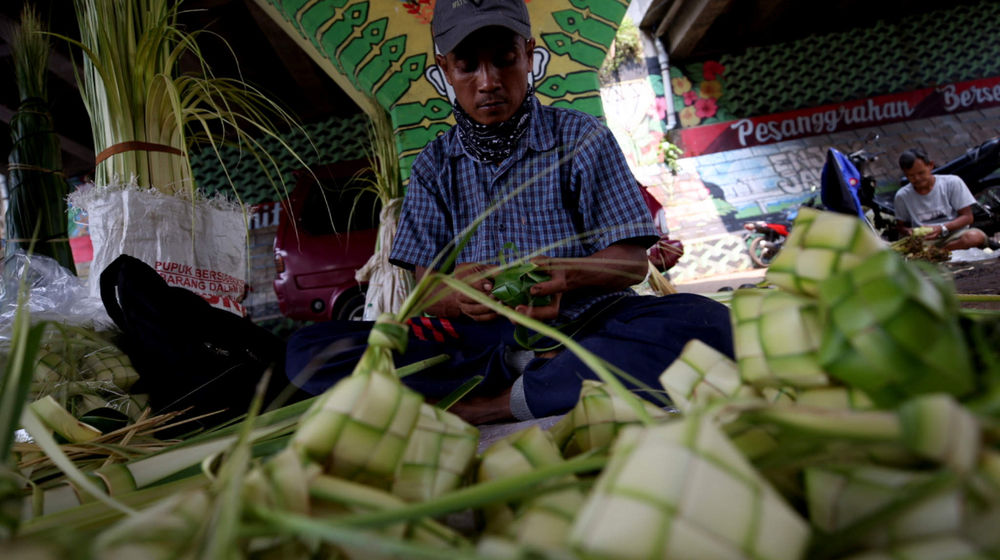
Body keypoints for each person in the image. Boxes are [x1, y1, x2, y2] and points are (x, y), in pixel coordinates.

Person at [285, 0, 733, 425]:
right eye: (467, 66)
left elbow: (632, 264)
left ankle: (498, 402)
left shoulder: (581, 138)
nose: (488, 81)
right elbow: (426, 294)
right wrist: (458, 295)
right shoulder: (433, 166)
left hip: (586, 325)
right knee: (308, 352)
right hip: (478, 344)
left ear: (528, 55)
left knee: (710, 325)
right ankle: (539, 372)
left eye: (504, 59)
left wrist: (567, 274)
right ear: (445, 70)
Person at [894, 147, 989, 251]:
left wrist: (942, 228)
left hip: (953, 234)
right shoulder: (902, 196)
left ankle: (940, 252)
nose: (917, 179)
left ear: (930, 165)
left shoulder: (952, 183)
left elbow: (967, 217)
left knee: (974, 237)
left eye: (921, 173)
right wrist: (908, 231)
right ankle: (934, 253)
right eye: (911, 176)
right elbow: (900, 226)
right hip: (925, 240)